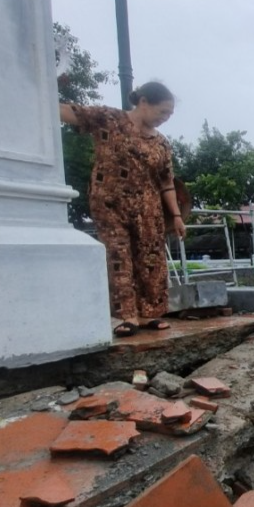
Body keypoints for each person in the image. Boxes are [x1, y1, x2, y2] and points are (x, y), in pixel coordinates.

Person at [59, 82, 185, 337]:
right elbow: (71, 112)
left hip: (148, 208)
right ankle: (127, 316)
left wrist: (177, 216)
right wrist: (44, 89)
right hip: (110, 202)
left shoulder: (161, 143)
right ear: (143, 102)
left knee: (151, 259)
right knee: (119, 256)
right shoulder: (110, 119)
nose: (164, 119)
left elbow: (166, 182)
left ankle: (151, 313)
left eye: (169, 115)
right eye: (162, 112)